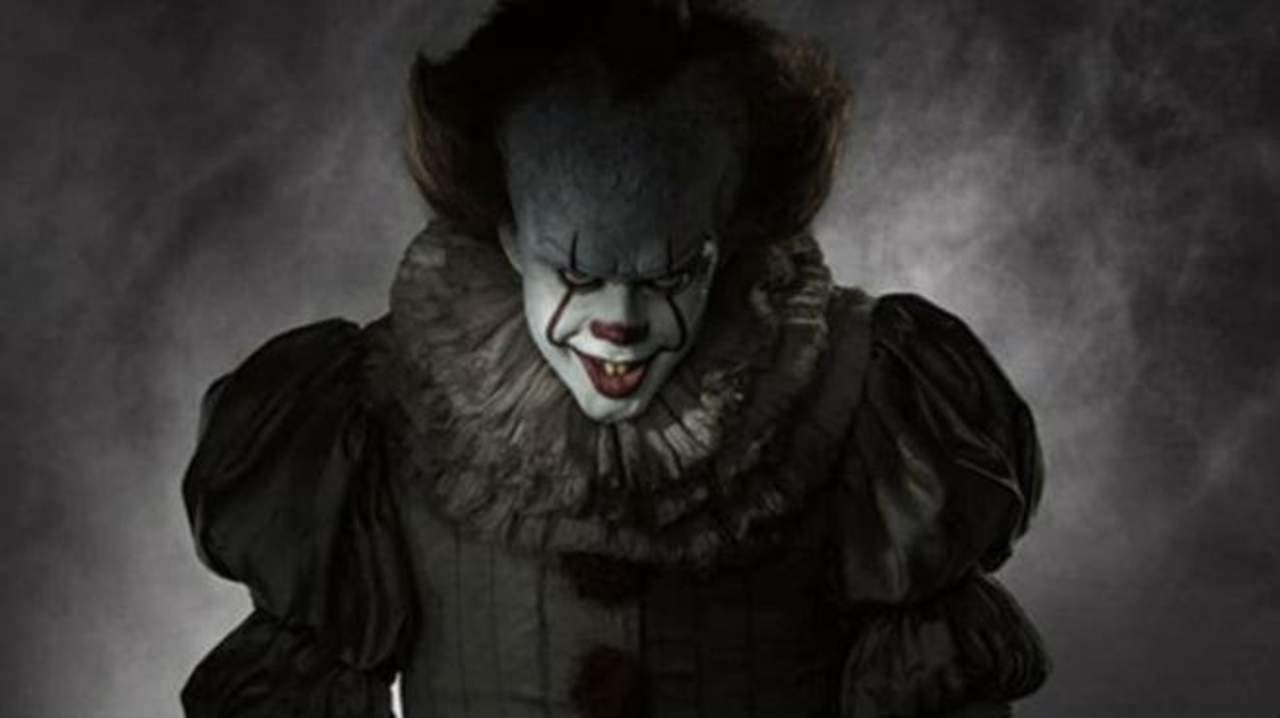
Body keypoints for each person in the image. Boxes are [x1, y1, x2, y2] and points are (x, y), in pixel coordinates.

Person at [181, 1, 1049, 716]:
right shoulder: (369, 416)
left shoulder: (869, 399)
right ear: (508, 236)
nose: (621, 323)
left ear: (729, 237)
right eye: (577, 273)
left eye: (670, 275)